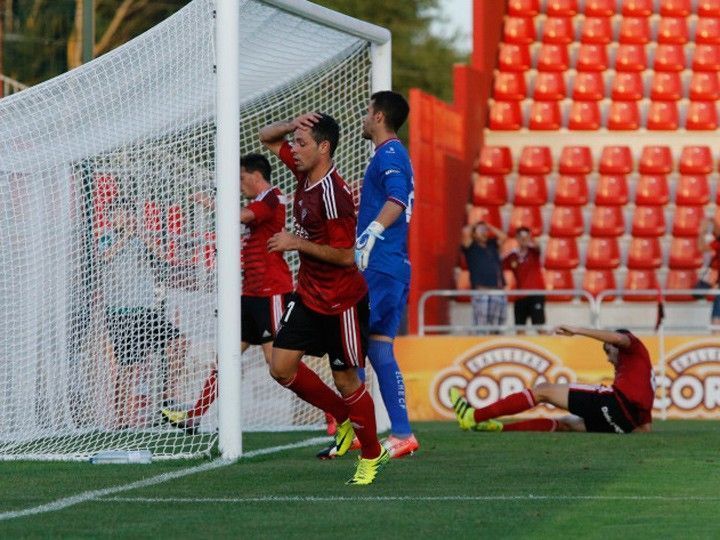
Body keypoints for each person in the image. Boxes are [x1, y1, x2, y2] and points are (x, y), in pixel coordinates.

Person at [259, 111, 389, 485]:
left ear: (324, 148)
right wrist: (291, 125)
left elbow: (349, 256)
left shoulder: (334, 196)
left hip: (341, 303)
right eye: (295, 144)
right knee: (281, 368)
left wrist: (294, 241)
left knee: (347, 379)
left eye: (302, 143)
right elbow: (266, 137)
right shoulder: (304, 172)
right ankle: (342, 415)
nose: (294, 150)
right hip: (310, 295)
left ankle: (371, 454)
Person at [318, 90, 419, 460]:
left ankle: (355, 428)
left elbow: (397, 198)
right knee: (376, 348)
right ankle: (400, 433)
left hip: (380, 265)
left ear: (378, 117)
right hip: (392, 267)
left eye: (366, 112)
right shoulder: (391, 154)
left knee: (348, 346)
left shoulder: (390, 154)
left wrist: (370, 234)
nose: (362, 117)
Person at [161, 154, 294, 434]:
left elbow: (242, 216)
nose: (239, 184)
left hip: (271, 292)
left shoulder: (272, 197)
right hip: (250, 293)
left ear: (256, 175)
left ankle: (335, 414)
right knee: (228, 357)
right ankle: (194, 417)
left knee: (277, 364)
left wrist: (212, 204)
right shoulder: (257, 202)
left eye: (241, 177)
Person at [449, 326, 654, 434]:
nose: (609, 359)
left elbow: (619, 338)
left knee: (543, 390)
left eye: (609, 351)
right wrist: (623, 426)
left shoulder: (633, 346)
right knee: (567, 425)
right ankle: (498, 427)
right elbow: (645, 428)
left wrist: (577, 331)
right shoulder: (641, 374)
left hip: (616, 404)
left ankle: (473, 416)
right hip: (623, 424)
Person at [98, 198, 188, 429]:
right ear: (111, 218)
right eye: (120, 213)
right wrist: (127, 236)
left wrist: (142, 235)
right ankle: (121, 422)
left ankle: (168, 396)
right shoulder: (105, 238)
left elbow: (164, 256)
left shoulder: (139, 239)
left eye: (129, 213)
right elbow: (104, 257)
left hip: (145, 311)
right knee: (127, 367)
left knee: (179, 342)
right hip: (121, 313)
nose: (126, 217)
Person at [461, 221, 507, 334]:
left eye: (485, 230)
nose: (484, 233)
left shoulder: (492, 245)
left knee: (497, 325)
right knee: (481, 326)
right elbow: (465, 232)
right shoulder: (471, 246)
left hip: (497, 291)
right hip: (481, 291)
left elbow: (503, 237)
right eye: (481, 231)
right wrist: (475, 226)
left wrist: (489, 226)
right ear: (474, 234)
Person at [503, 226, 546, 333]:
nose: (523, 239)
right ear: (516, 238)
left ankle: (544, 348)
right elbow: (498, 265)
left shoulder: (533, 252)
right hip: (520, 295)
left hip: (536, 294)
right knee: (519, 329)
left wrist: (530, 241)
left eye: (526, 237)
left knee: (540, 327)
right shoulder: (512, 255)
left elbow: (538, 247)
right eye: (521, 237)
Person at [697, 216, 720, 331]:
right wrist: (702, 232)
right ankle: (715, 327)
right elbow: (702, 247)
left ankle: (715, 327)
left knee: (718, 296)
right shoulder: (717, 242)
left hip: (717, 283)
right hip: (714, 280)